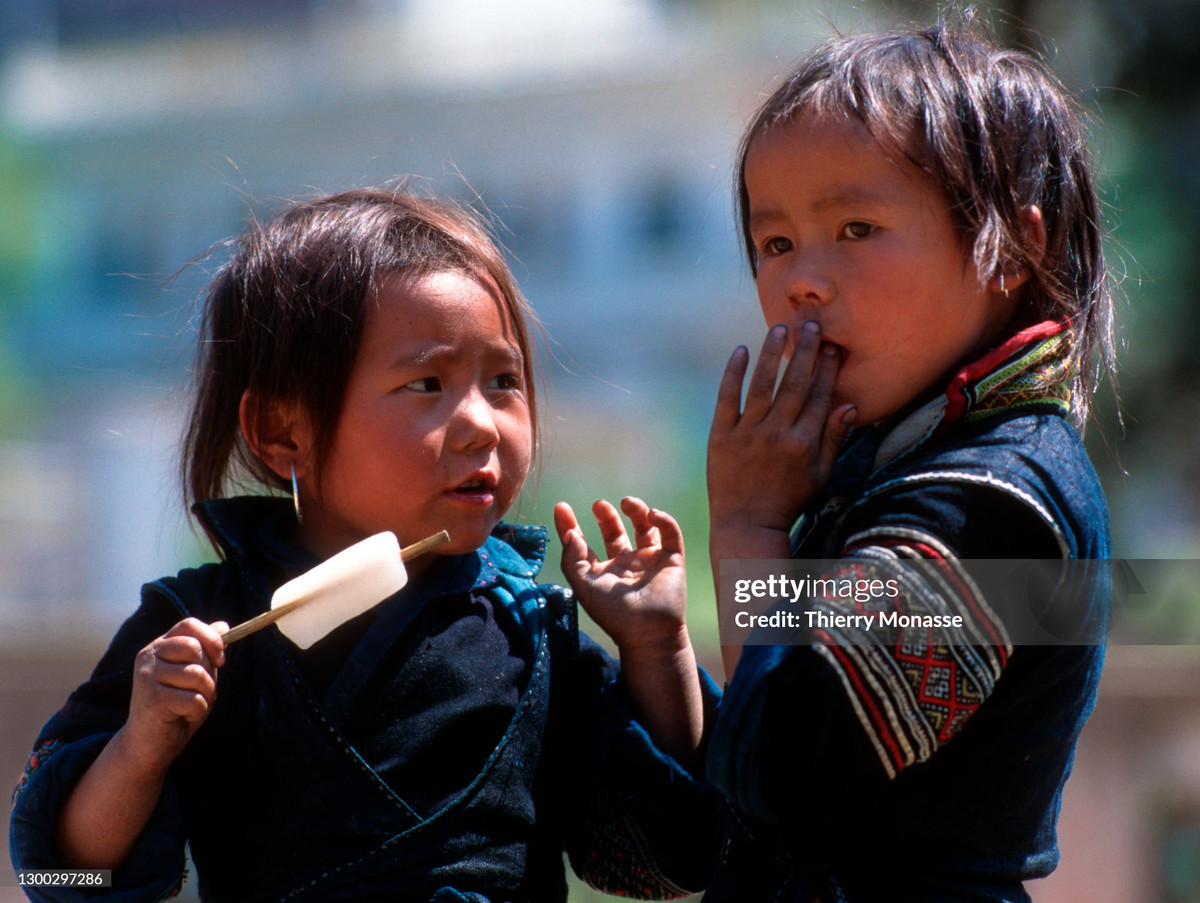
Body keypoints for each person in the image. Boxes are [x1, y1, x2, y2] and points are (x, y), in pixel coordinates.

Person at [10, 187, 719, 902]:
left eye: (504, 380)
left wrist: (658, 647)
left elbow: (676, 854)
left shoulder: (534, 628)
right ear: (284, 430)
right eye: (428, 383)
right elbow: (54, 873)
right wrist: (140, 748)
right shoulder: (201, 631)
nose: (481, 423)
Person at [702, 19, 1114, 903]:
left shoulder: (992, 502)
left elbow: (785, 769)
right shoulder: (897, 467)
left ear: (1013, 248)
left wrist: (749, 527)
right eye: (774, 243)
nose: (801, 280)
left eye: (855, 226)